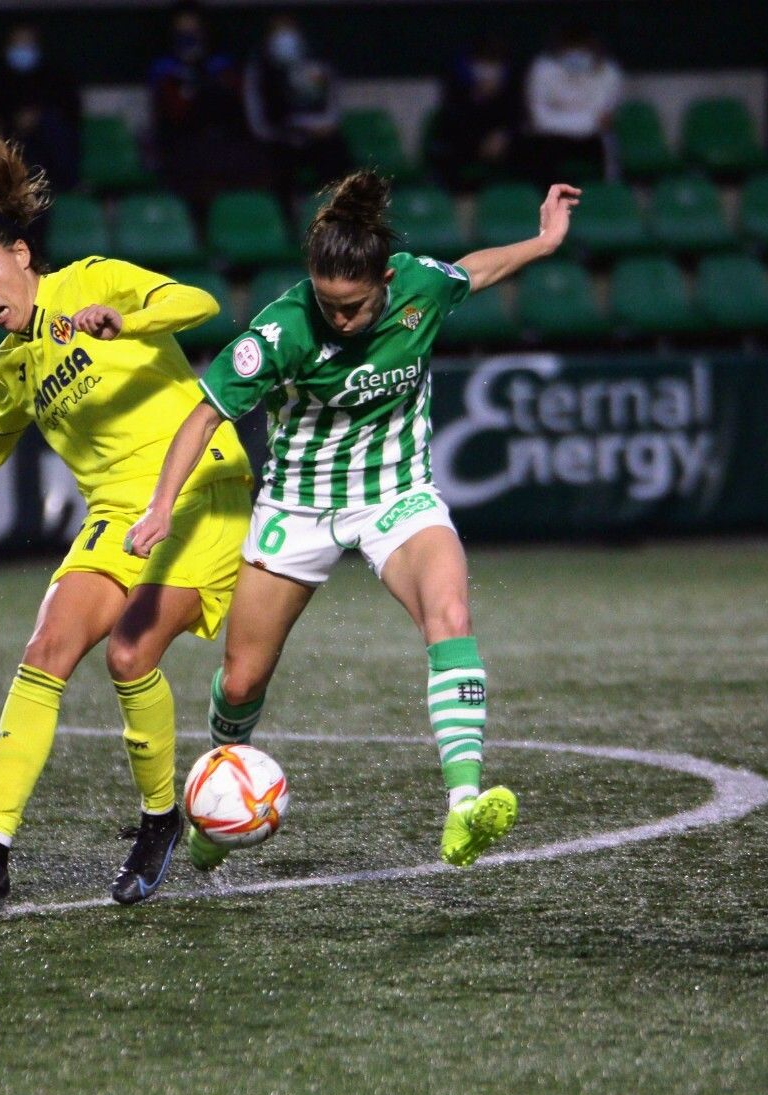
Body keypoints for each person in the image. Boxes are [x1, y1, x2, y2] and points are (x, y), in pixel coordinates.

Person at [126, 171, 581, 872]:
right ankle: (215, 806)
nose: (339, 318)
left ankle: (465, 806)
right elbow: (204, 412)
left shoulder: (419, 288)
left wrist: (544, 243)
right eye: (327, 304)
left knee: (449, 612)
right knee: (242, 682)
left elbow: (473, 271)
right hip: (297, 508)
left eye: (354, 305)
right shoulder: (281, 330)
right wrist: (161, 506)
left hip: (397, 496)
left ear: (384, 283)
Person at [0, 134, 253, 907]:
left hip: (199, 491)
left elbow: (201, 303)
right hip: (119, 513)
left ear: (22, 254)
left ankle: (161, 818)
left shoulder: (91, 281)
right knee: (48, 646)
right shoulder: (14, 364)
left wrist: (129, 319)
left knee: (128, 656)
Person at [149, 0, 266, 211]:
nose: (188, 35)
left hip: (225, 142)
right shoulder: (164, 70)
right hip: (184, 145)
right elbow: (172, 114)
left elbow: (236, 109)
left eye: (193, 29)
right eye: (182, 30)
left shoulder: (222, 66)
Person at [244, 14, 347, 200]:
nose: (285, 38)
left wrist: (316, 126)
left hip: (317, 138)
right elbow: (258, 124)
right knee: (277, 163)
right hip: (277, 140)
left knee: (336, 152)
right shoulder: (259, 68)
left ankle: (336, 214)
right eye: (278, 32)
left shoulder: (318, 65)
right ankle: (287, 218)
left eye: (289, 32)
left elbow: (333, 112)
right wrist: (290, 129)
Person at [0, 24, 82, 190]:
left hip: (47, 152)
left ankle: (58, 185)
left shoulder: (57, 78)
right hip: (9, 144)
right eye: (17, 44)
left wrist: (39, 117)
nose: (22, 50)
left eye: (27, 44)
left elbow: (71, 113)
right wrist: (11, 121)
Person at [524, 24, 621, 183]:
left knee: (607, 145)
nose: (575, 56)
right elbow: (539, 119)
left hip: (591, 140)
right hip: (551, 138)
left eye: (581, 50)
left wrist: (561, 117)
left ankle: (603, 199)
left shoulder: (608, 72)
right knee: (537, 150)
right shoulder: (542, 69)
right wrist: (584, 120)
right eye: (570, 50)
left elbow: (601, 121)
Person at [429, 37, 522, 192]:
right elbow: (452, 125)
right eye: (481, 64)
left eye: (492, 64)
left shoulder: (511, 93)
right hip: (465, 148)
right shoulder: (456, 92)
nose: (486, 71)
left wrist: (503, 136)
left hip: (502, 150)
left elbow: (516, 120)